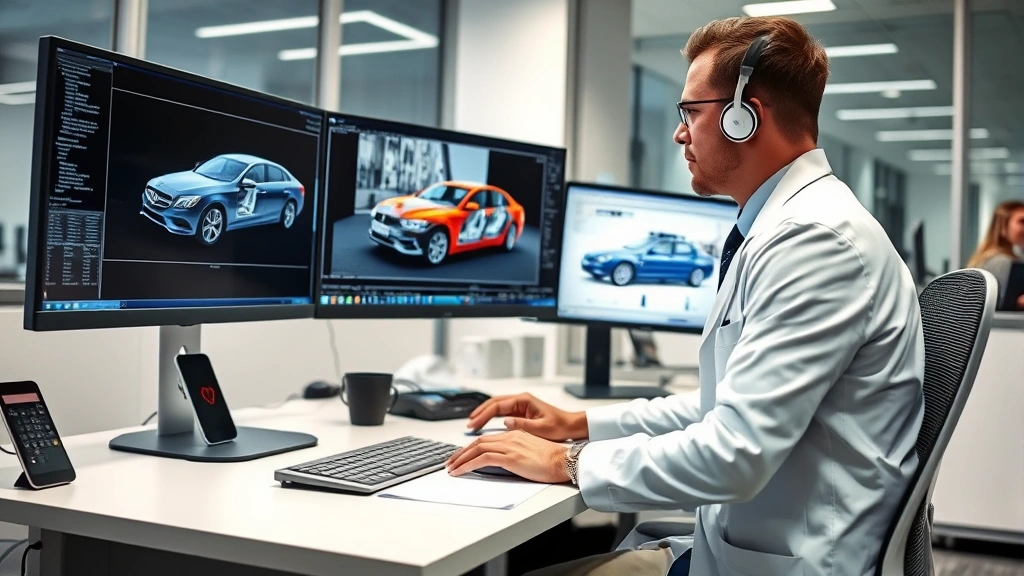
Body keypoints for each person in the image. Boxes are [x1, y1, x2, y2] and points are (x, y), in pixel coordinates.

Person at [446, 15, 925, 576]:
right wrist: (579, 423)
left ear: (748, 116)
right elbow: (722, 404)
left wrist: (566, 461)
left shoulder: (815, 242)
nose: (679, 133)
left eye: (691, 113)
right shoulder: (784, 227)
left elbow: (735, 453)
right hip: (743, 547)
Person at [966, 200, 1024, 310]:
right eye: (1022, 221)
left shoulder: (987, 257)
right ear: (1002, 226)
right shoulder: (1000, 261)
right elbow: (1000, 306)